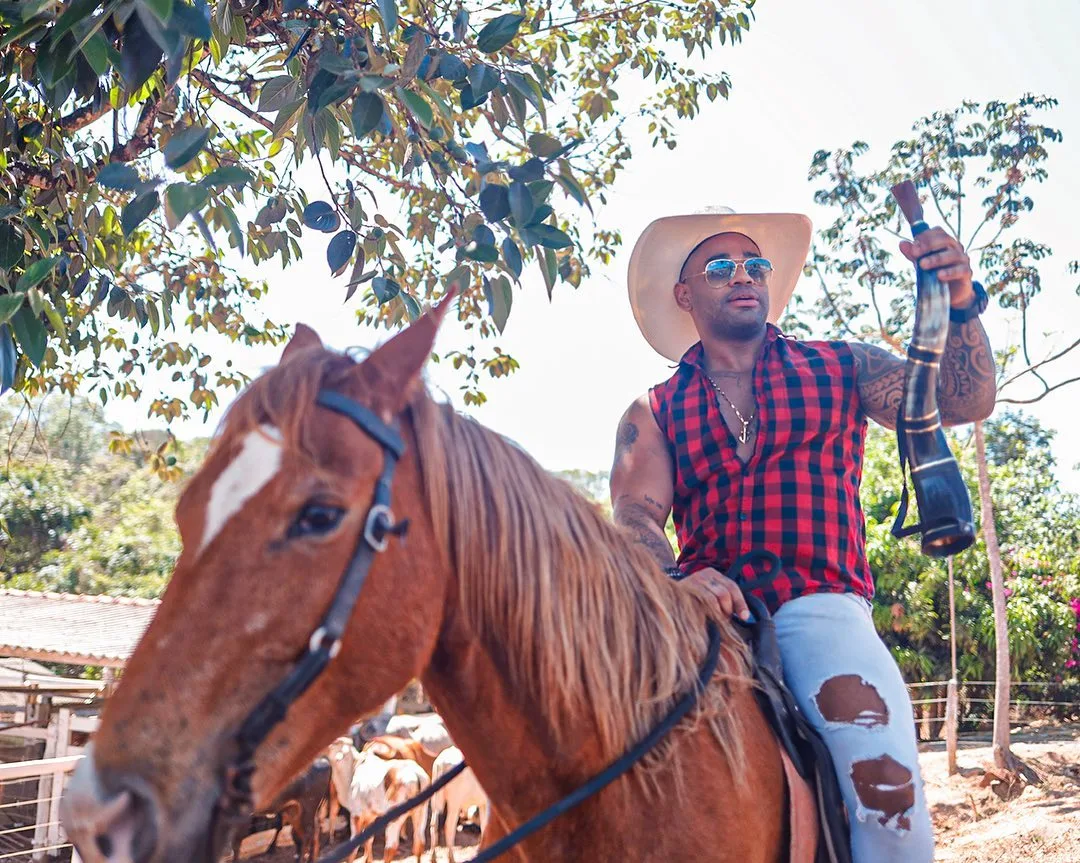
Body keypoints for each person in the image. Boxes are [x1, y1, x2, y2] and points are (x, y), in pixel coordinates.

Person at [611, 207, 995, 862]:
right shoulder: (652, 408)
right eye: (721, 266)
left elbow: (964, 401)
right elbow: (637, 517)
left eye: (755, 265)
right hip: (701, 616)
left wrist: (960, 303)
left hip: (821, 611)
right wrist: (678, 581)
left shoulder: (843, 365)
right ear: (685, 294)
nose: (744, 276)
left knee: (887, 798)